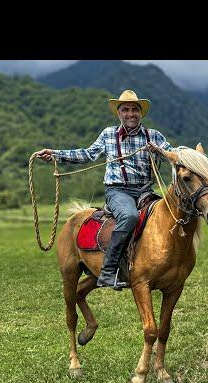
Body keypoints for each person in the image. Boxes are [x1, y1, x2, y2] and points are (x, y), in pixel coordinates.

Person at [33, 89, 173, 290]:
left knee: (165, 216)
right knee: (129, 216)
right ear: (119, 113)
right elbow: (87, 154)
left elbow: (173, 155)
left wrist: (168, 152)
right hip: (118, 191)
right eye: (125, 109)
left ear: (141, 113)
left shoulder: (153, 136)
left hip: (145, 192)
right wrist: (55, 154)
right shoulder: (108, 135)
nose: (130, 114)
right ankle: (108, 271)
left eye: (134, 109)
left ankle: (159, 265)